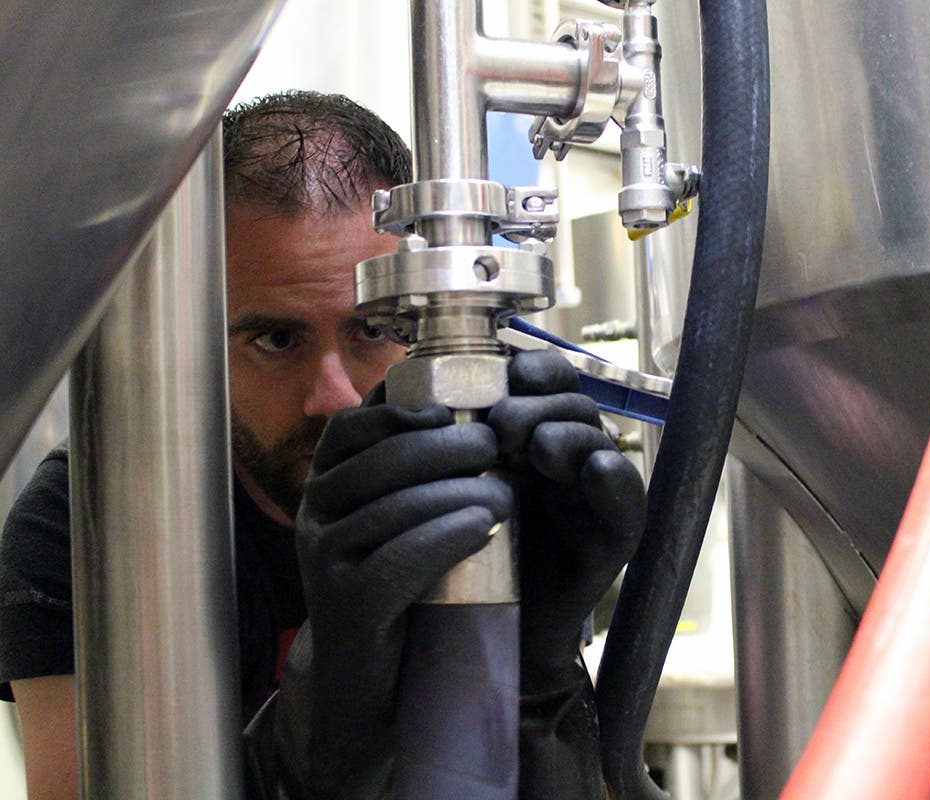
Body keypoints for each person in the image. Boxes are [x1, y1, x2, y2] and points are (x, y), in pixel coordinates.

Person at [0, 91, 645, 799]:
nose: (333, 396)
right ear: (199, 333)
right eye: (277, 339)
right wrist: (323, 710)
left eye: (374, 330)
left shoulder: (490, 490)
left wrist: (543, 672)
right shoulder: (87, 525)